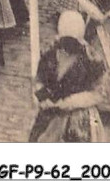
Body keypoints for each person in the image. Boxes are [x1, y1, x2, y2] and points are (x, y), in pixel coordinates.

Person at [29, 11, 105, 142]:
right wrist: (43, 98)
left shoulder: (90, 59)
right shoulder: (50, 55)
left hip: (79, 116)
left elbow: (98, 93)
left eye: (72, 41)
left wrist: (69, 103)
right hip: (50, 114)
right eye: (66, 40)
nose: (68, 45)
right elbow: (39, 80)